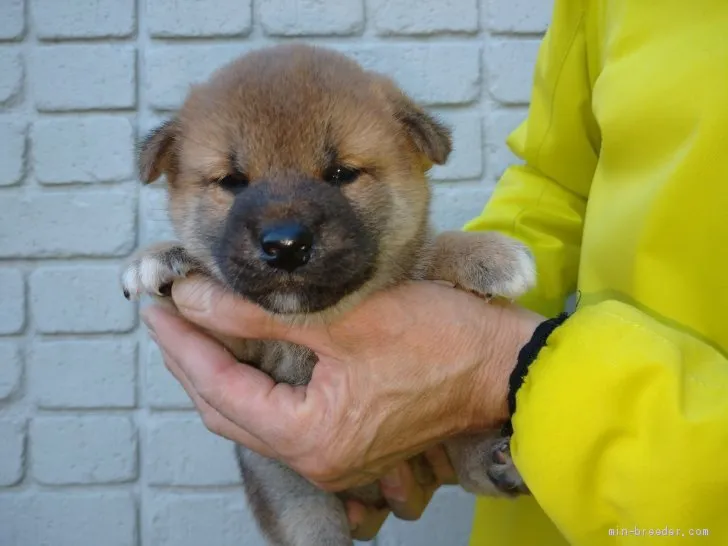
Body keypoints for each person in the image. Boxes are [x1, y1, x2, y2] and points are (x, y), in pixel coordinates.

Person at [141, 0, 728, 544]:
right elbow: (560, 179)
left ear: (413, 151)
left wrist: (494, 358)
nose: (284, 232)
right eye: (231, 181)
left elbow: (460, 329)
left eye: (342, 174)